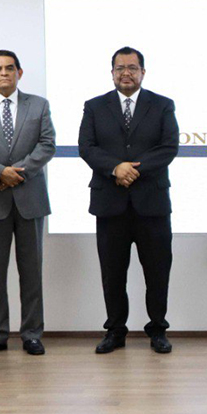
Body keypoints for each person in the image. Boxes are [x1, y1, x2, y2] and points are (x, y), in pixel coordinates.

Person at [78, 46, 179, 354]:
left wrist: (133, 170)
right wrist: (115, 168)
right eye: (120, 68)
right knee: (112, 273)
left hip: (152, 204)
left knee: (157, 272)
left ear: (142, 72)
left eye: (132, 68)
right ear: (112, 73)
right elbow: (87, 147)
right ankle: (115, 330)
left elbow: (169, 147)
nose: (126, 73)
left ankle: (158, 329)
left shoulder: (162, 105)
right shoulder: (95, 106)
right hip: (110, 204)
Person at [0, 50, 56, 357]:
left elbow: (47, 145)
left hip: (30, 198)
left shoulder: (38, 105)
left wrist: (17, 173)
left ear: (19, 72)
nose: (3, 73)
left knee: (31, 271)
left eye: (9, 68)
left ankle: (31, 334)